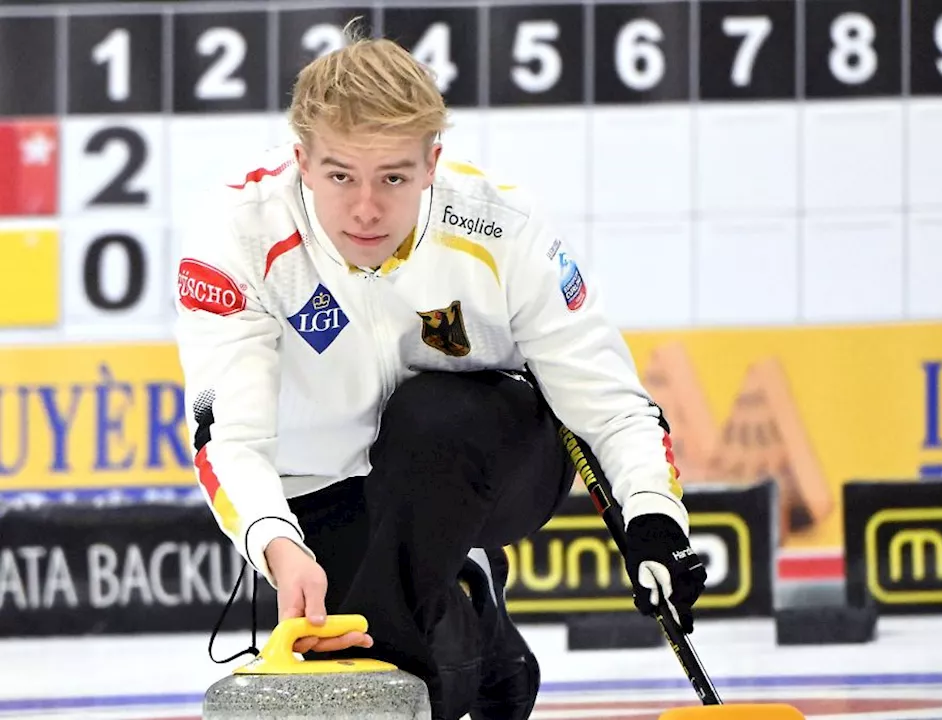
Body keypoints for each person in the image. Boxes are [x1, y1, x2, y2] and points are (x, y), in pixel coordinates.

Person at [173, 27, 707, 720]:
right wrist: (277, 545)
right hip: (328, 486)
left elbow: (611, 404)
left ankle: (395, 664)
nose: (366, 207)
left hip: (492, 461)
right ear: (301, 160)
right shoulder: (236, 235)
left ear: (432, 162)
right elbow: (230, 441)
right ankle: (490, 649)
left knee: (371, 640)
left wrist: (654, 517)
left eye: (393, 176)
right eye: (340, 175)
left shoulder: (499, 227)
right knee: (420, 644)